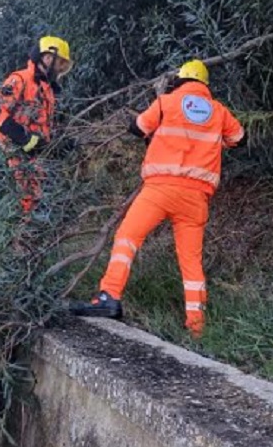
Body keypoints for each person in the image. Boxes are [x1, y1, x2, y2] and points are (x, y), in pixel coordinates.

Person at [72, 60, 244, 338]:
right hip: (195, 198)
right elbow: (240, 138)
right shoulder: (219, 111)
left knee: (127, 237)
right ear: (204, 86)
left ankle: (109, 297)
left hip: (160, 190)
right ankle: (197, 326)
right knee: (191, 261)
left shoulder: (166, 102)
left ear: (180, 80)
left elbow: (137, 127)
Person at [0, 36, 73, 215]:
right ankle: (24, 237)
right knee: (28, 197)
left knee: (40, 195)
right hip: (17, 152)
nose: (60, 70)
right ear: (48, 58)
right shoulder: (21, 79)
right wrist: (23, 139)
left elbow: (44, 123)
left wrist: (58, 144)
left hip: (36, 154)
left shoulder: (47, 88)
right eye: (60, 64)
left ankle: (35, 234)